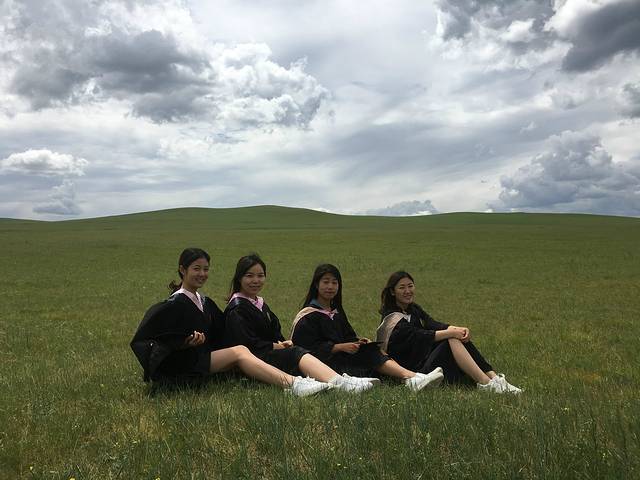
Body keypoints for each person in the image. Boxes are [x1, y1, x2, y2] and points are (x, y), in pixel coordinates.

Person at [130, 247, 331, 397]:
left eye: (206, 269)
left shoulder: (205, 302)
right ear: (182, 270)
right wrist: (182, 342)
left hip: (201, 359)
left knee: (240, 350)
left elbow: (222, 332)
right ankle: (294, 384)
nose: (202, 274)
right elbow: (153, 339)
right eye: (196, 269)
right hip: (182, 364)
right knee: (239, 351)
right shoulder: (173, 304)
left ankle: (297, 382)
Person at [224, 254, 375, 393]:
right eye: (249, 276)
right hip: (253, 361)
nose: (256, 280)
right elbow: (246, 344)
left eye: (260, 275)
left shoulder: (258, 303)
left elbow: (273, 332)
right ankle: (340, 383)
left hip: (267, 353)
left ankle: (340, 380)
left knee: (295, 351)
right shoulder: (237, 308)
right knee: (296, 353)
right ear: (239, 278)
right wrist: (276, 346)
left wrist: (283, 342)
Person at [291, 264, 444, 391]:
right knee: (370, 360)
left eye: (334, 283)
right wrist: (338, 347)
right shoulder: (307, 316)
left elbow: (348, 336)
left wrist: (358, 342)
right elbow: (305, 349)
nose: (330, 287)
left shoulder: (336, 312)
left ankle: (412, 378)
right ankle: (413, 378)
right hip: (323, 365)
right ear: (316, 285)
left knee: (370, 349)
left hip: (342, 358)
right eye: (326, 282)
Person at [376, 271, 522, 394]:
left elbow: (432, 323)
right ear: (392, 292)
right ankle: (486, 384)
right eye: (402, 287)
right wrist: (451, 333)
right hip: (416, 373)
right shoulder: (391, 319)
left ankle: (494, 378)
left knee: (456, 336)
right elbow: (419, 336)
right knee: (451, 338)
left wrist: (457, 329)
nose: (407, 291)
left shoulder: (413, 309)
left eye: (410, 286)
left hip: (424, 359)